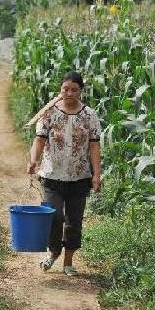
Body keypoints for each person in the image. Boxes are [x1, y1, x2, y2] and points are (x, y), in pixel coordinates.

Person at [26, 71, 102, 276]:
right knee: (54, 216)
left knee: (74, 221)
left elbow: (94, 146)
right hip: (51, 175)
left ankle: (68, 262)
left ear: (81, 91)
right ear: (60, 90)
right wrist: (33, 160)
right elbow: (39, 140)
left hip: (80, 177)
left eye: (74, 90)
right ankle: (53, 253)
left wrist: (96, 174)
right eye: (65, 89)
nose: (69, 93)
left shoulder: (89, 116)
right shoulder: (49, 113)